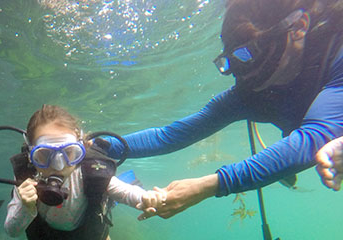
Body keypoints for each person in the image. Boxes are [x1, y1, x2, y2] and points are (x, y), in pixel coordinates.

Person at [100, 0, 343, 219]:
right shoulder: (249, 95)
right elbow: (171, 135)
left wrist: (208, 185)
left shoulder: (337, 53)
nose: (242, 73)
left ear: (299, 26)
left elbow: (314, 137)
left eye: (249, 53)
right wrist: (96, 146)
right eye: (233, 59)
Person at [4, 104, 180, 240]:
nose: (59, 165)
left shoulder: (90, 171)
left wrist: (145, 198)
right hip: (52, 234)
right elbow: (11, 230)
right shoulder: (26, 179)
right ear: (30, 152)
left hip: (87, 230)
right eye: (44, 155)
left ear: (81, 147)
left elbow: (124, 191)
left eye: (69, 152)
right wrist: (25, 205)